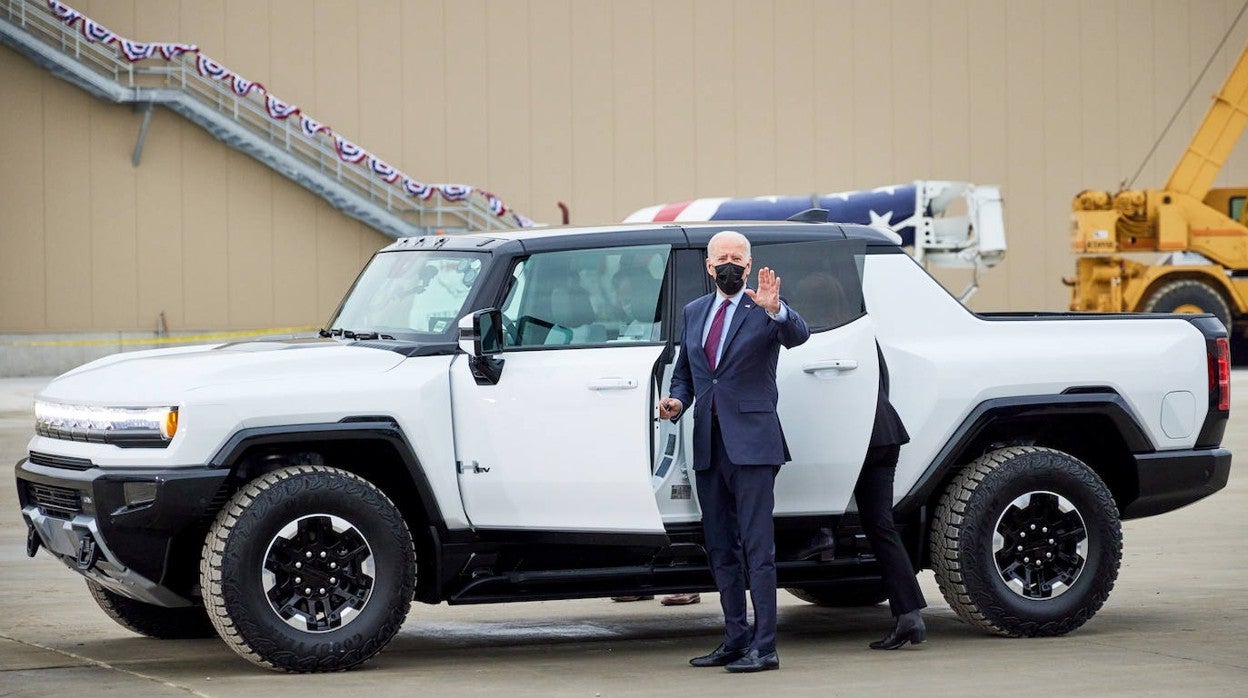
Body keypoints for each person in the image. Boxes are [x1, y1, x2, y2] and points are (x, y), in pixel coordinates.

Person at [660, 230, 810, 673]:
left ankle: (765, 646)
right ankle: (734, 637)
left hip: (753, 444)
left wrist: (776, 309)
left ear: (749, 265)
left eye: (737, 258)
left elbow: (799, 335)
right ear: (709, 266)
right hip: (708, 443)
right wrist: (676, 401)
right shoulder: (693, 312)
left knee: (757, 549)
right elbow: (686, 374)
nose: (729, 263)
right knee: (720, 547)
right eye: (721, 257)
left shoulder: (764, 307)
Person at [854, 345, 927, 649]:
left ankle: (910, 615)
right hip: (885, 430)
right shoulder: (863, 337)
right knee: (881, 526)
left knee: (879, 525)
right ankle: (909, 615)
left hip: (865, 436)